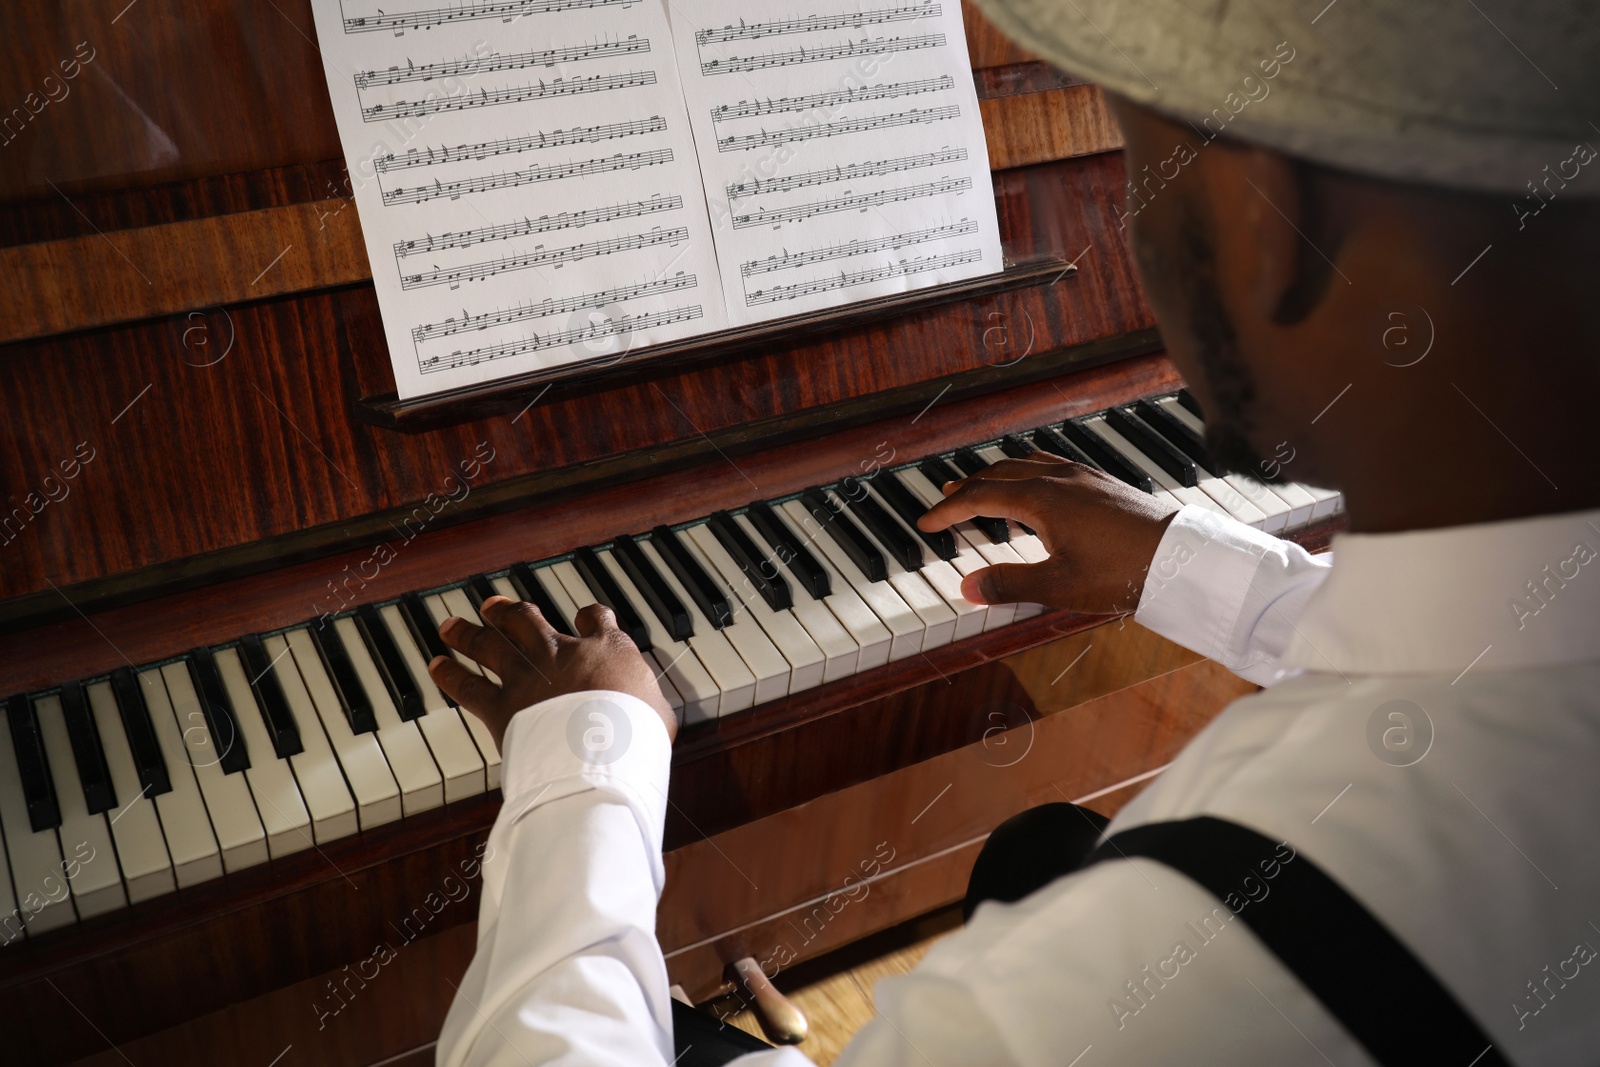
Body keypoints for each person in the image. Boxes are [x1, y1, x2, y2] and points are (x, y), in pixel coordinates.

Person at [426, 1, 1600, 1063]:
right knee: (1039, 849)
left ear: (1262, 227)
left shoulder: (1106, 1004)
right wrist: (1180, 564)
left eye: (1137, 162)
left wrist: (586, 763)